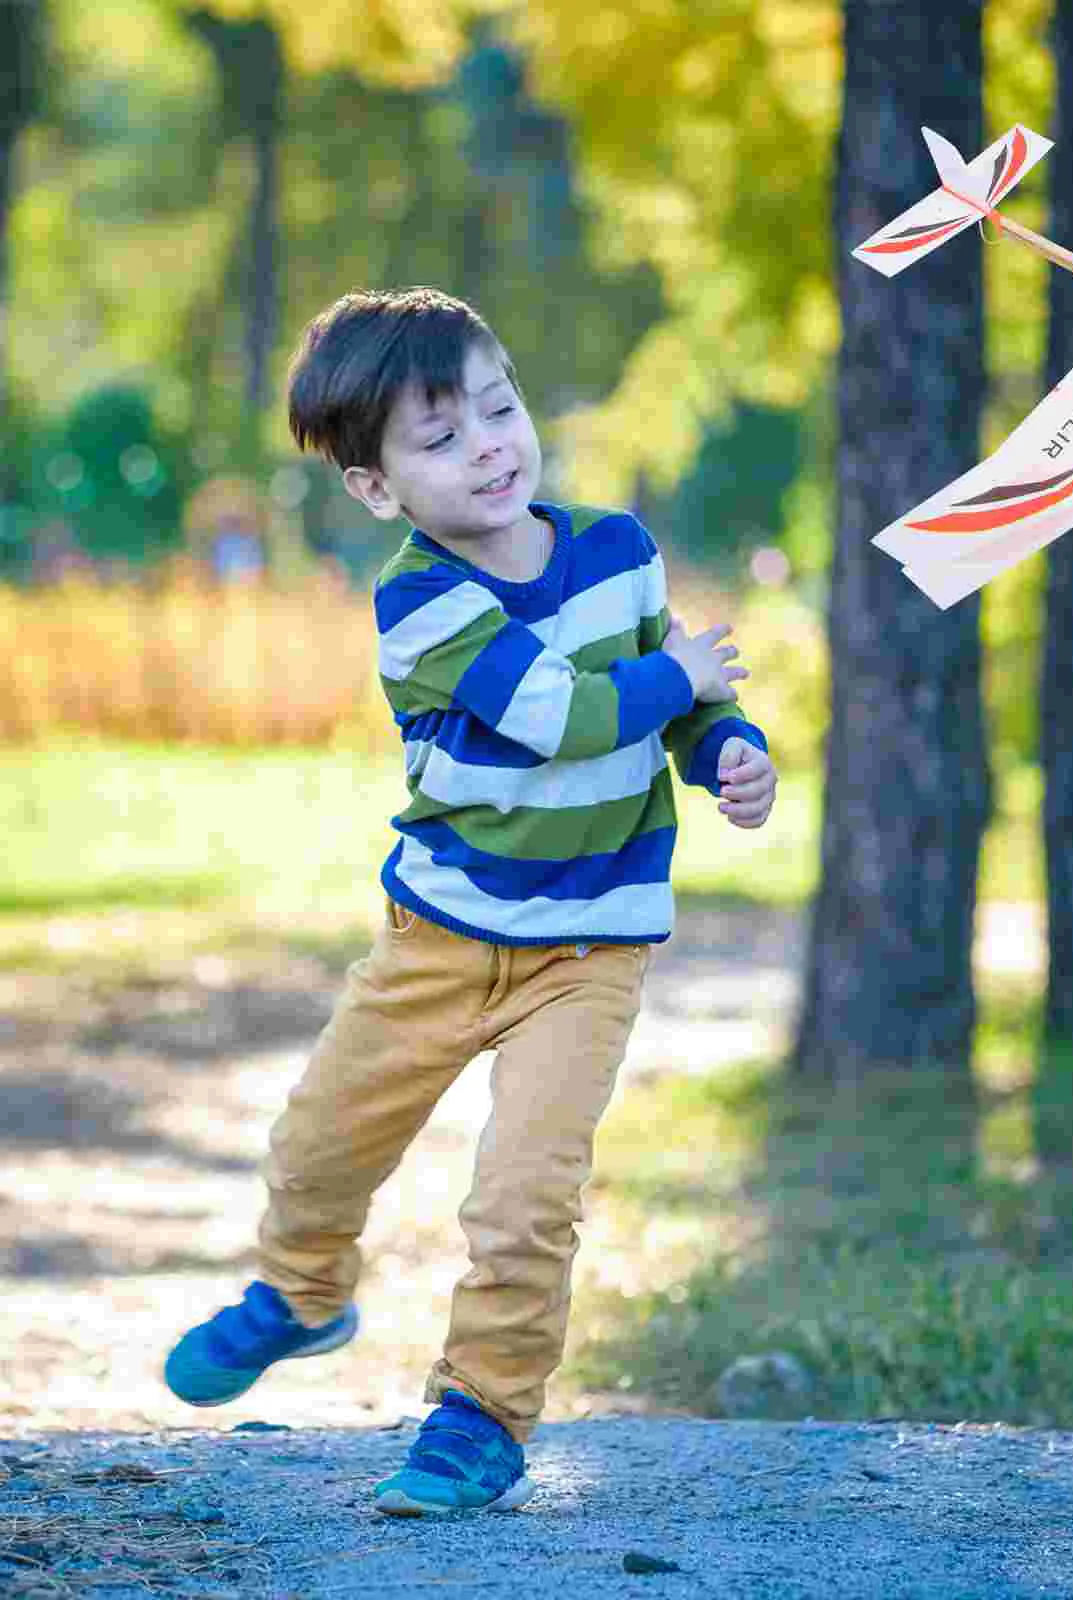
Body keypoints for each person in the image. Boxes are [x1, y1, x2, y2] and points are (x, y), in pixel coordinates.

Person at [162, 287, 778, 1515]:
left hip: (588, 948)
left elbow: (678, 714)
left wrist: (726, 747)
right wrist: (681, 673)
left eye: (499, 409)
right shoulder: (420, 602)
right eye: (440, 438)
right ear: (377, 488)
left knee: (524, 1194)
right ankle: (302, 1291)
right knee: (321, 1138)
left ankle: (482, 1417)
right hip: (439, 935)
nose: (490, 444)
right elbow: (564, 717)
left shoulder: (617, 550)